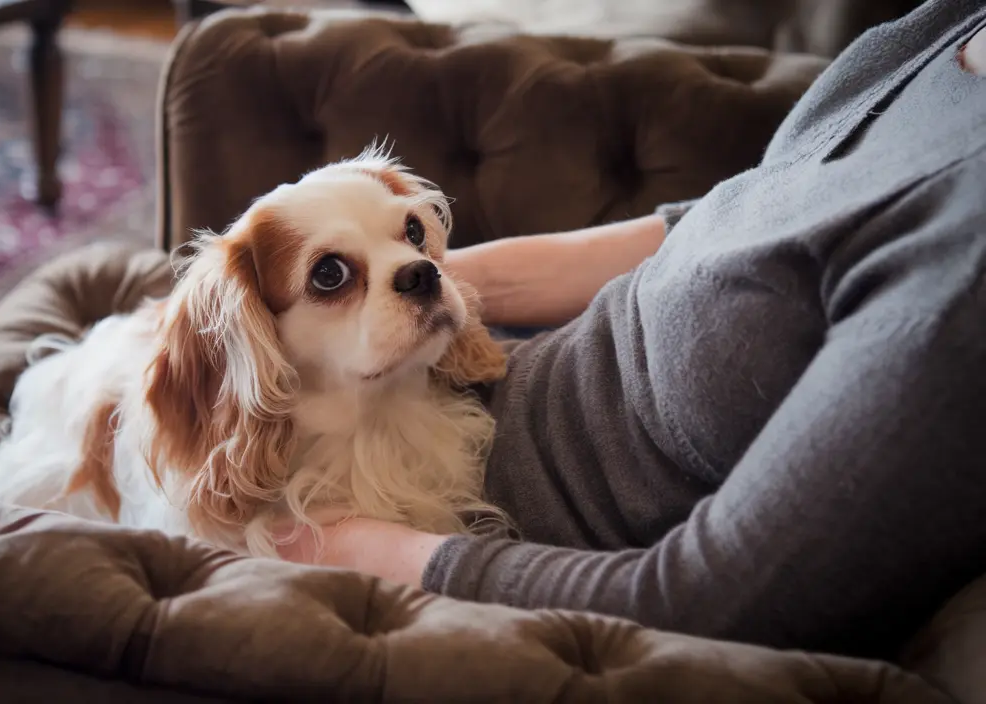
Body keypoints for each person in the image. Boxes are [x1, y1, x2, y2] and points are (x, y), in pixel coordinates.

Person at [278, 0, 986, 660]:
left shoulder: (962, 279)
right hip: (454, 388)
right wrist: (428, 280)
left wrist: (348, 549)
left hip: (458, 520)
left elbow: (702, 605)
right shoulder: (951, 21)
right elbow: (739, 219)